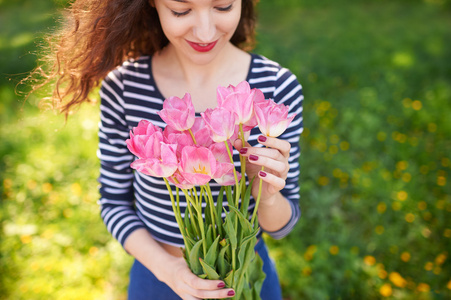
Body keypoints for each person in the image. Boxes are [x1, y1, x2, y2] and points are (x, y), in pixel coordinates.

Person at [32, 0, 303, 299]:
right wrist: (168, 270)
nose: (204, 32)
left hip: (246, 274)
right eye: (181, 10)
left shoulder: (277, 86)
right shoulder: (124, 88)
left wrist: (266, 194)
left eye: (223, 6)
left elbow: (281, 227)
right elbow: (113, 203)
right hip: (157, 276)